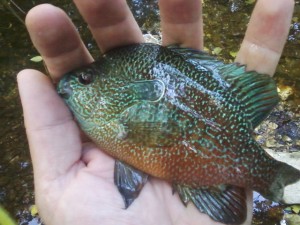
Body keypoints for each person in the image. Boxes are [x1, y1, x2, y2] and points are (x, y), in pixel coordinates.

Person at [17, 0, 294, 224]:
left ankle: (282, 182)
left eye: (86, 79)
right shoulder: (114, 118)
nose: (70, 85)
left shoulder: (117, 119)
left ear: (119, 91)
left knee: (287, 185)